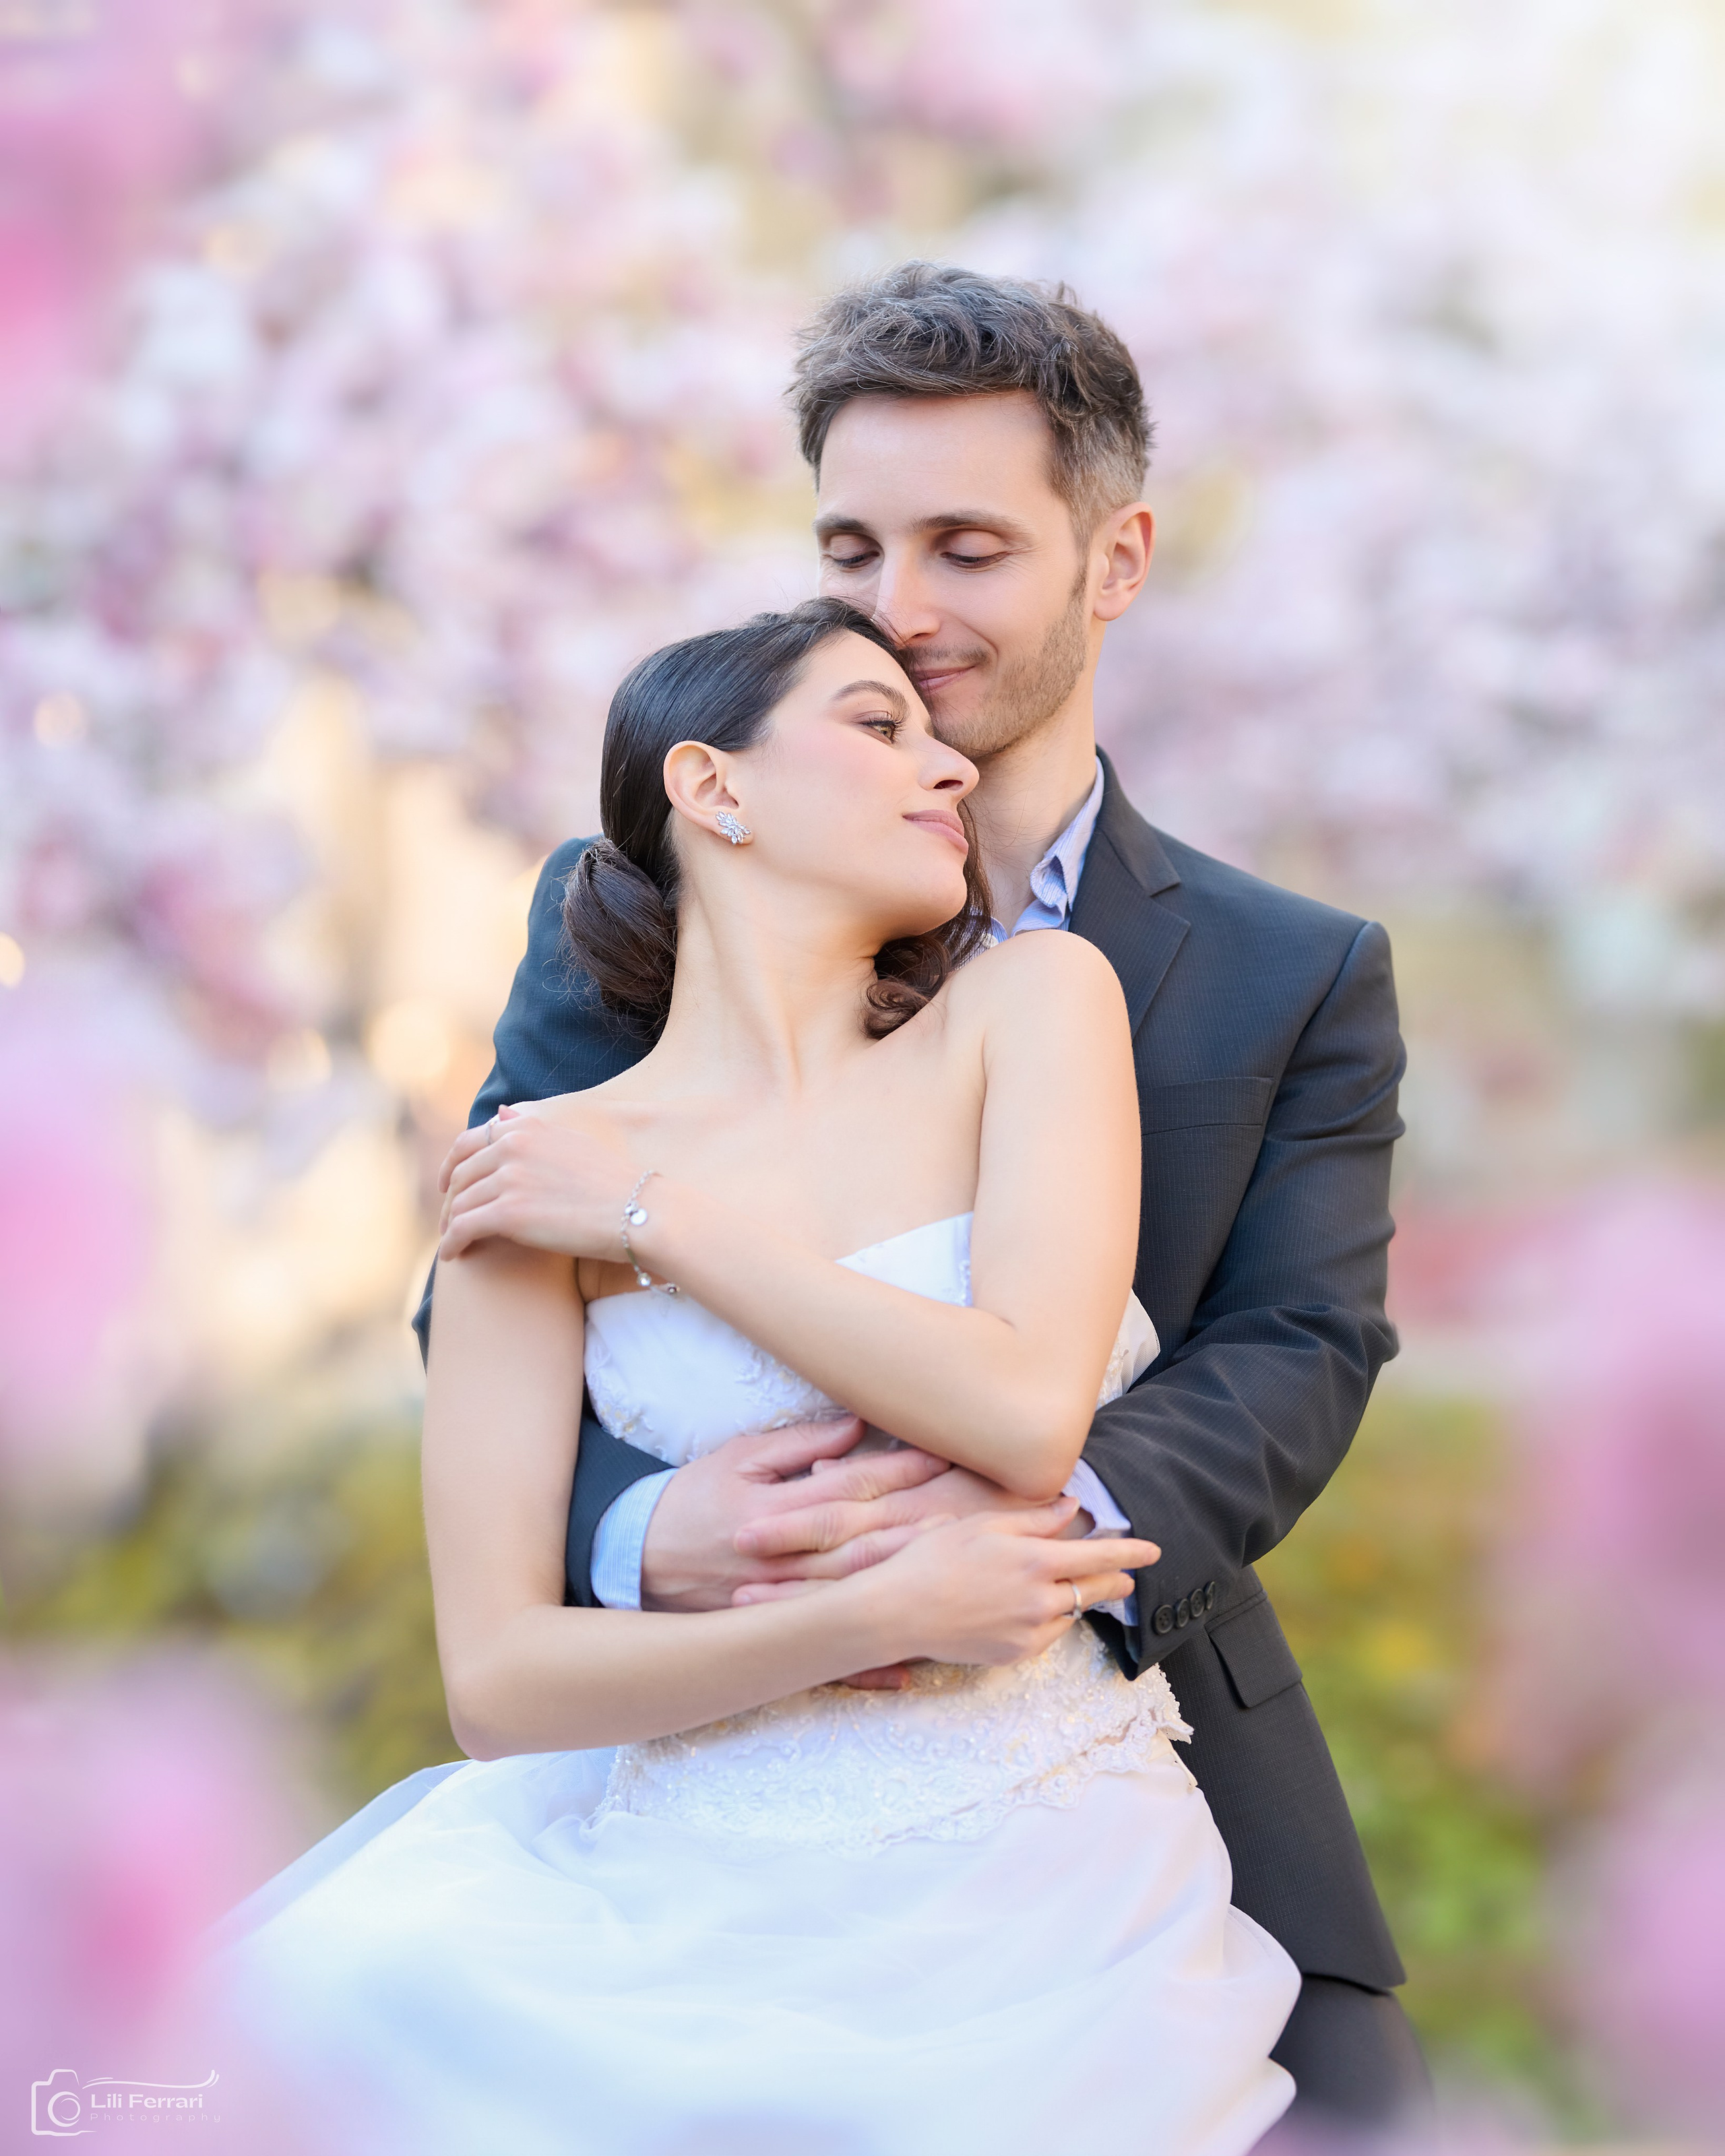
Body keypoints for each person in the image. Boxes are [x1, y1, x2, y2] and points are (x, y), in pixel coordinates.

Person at [429, 263, 1429, 2124]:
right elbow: (505, 1263)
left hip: (1118, 1740)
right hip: (695, 1771)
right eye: (851, 547)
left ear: (1114, 561)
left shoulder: (1288, 971)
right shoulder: (630, 905)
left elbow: (1300, 1342)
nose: (900, 604)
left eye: (966, 548)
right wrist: (641, 1535)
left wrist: (1017, 1542)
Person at [223, 596, 1302, 2155]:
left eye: (935, 737)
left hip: (1040, 1908)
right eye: (877, 725)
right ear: (711, 786)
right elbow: (498, 1682)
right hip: (661, 1909)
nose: (949, 767)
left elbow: (1021, 1409)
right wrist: (868, 1617)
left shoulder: (1027, 1006)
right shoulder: (532, 1176)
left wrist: (657, 1220)